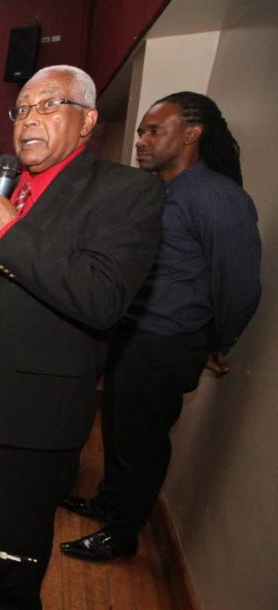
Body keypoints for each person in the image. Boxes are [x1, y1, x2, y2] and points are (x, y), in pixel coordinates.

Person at [0, 65, 164, 610]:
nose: (28, 119)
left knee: (25, 519)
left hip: (38, 398)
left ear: (86, 121)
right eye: (21, 109)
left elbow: (101, 297)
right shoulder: (8, 186)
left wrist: (9, 233)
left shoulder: (124, 193)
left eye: (47, 105)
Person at [60, 92, 262, 562]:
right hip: (132, 333)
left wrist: (216, 340)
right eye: (141, 131)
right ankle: (110, 501)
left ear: (191, 133)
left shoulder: (217, 199)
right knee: (116, 426)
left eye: (154, 131)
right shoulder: (157, 191)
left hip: (167, 342)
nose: (141, 140)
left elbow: (240, 286)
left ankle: (123, 532)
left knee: (143, 441)